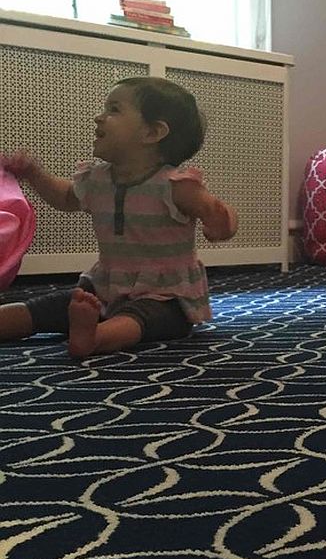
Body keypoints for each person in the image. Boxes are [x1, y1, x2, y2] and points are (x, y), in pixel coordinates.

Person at [0, 77, 238, 358]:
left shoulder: (175, 185)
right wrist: (34, 174)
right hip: (104, 288)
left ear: (152, 132)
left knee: (139, 318)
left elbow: (221, 216)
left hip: (166, 295)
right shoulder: (96, 179)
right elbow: (65, 198)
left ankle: (95, 337)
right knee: (47, 307)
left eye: (113, 109)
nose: (99, 117)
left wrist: (219, 223)